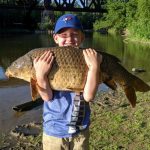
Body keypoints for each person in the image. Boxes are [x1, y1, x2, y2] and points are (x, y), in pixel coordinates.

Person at [33, 14, 102, 150]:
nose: (69, 39)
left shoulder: (89, 59)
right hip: (54, 132)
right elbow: (47, 97)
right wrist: (40, 75)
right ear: (56, 38)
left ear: (82, 37)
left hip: (80, 131)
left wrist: (94, 67)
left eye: (75, 34)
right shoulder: (46, 60)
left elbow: (88, 96)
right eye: (64, 36)